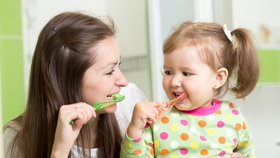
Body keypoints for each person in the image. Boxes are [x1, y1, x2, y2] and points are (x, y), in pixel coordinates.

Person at [2, 11, 147, 158]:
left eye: (118, 65)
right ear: (68, 82)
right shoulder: (18, 138)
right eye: (109, 72)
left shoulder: (131, 103)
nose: (123, 81)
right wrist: (59, 151)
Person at [120, 21, 259, 157]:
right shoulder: (156, 118)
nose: (174, 82)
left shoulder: (232, 116)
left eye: (186, 73)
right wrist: (135, 128)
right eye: (168, 72)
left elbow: (247, 153)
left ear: (218, 78)